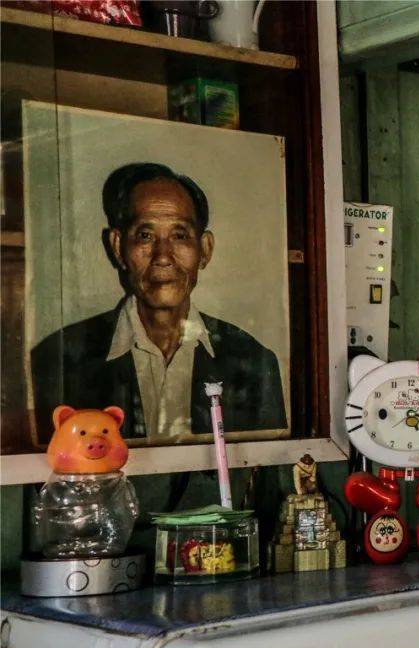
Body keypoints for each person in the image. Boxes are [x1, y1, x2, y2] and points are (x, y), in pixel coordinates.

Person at [31, 163, 286, 443]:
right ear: (118, 247)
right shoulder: (59, 362)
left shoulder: (253, 362)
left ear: (205, 249)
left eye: (179, 235)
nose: (163, 256)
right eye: (145, 235)